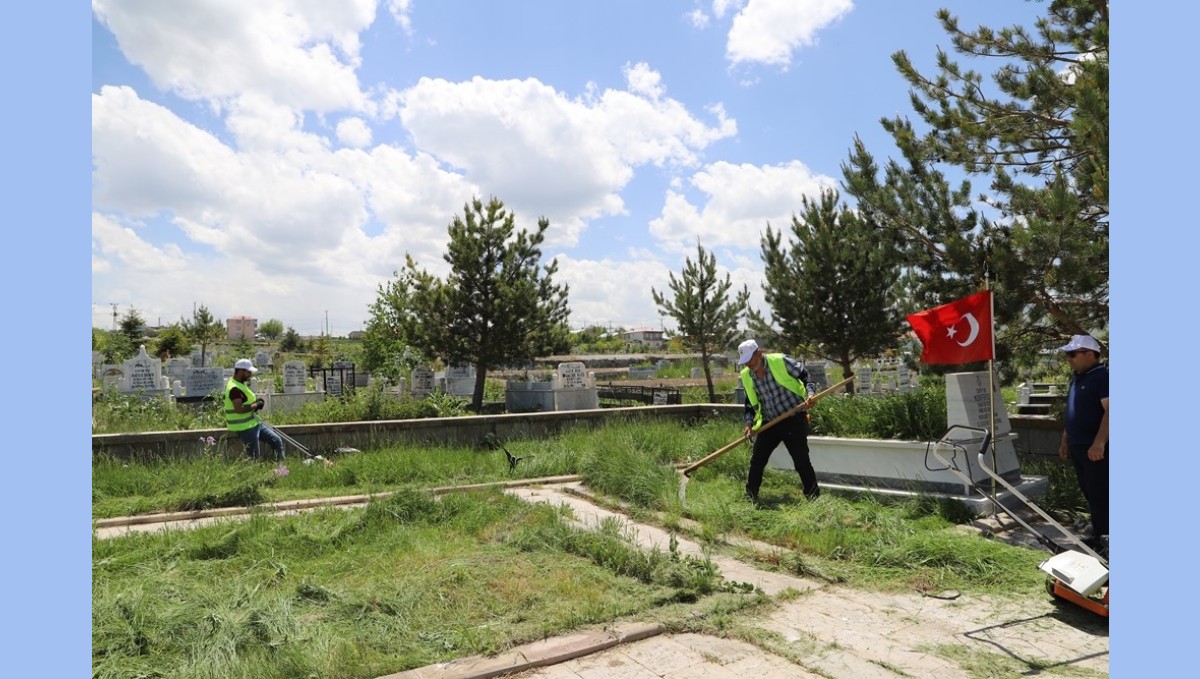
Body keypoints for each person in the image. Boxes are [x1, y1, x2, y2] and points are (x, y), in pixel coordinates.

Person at [738, 339, 820, 505]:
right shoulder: (747, 375)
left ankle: (813, 498)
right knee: (757, 460)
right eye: (744, 361)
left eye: (750, 359)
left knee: (801, 460)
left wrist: (810, 394)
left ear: (759, 353)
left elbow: (806, 377)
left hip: (794, 418)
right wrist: (748, 423)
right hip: (769, 423)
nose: (747, 364)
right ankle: (750, 497)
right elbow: (749, 403)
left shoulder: (781, 361)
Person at [1057, 335, 1108, 555]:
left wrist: (1099, 442)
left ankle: (1106, 539)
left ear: (1089, 354)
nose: (1068, 359)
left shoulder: (1102, 376)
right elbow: (1072, 412)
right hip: (1078, 446)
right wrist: (1065, 440)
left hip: (1094, 447)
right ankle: (1099, 534)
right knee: (1090, 492)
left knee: (1101, 494)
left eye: (1072, 354)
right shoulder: (1077, 378)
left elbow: (1111, 411)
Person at [224, 358, 285, 461]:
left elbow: (246, 401)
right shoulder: (234, 388)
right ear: (240, 371)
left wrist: (256, 402)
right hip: (245, 427)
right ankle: (251, 474)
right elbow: (238, 409)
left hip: (254, 423)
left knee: (276, 440)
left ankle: (281, 469)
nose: (250, 375)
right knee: (254, 457)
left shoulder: (240, 384)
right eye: (248, 372)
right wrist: (256, 405)